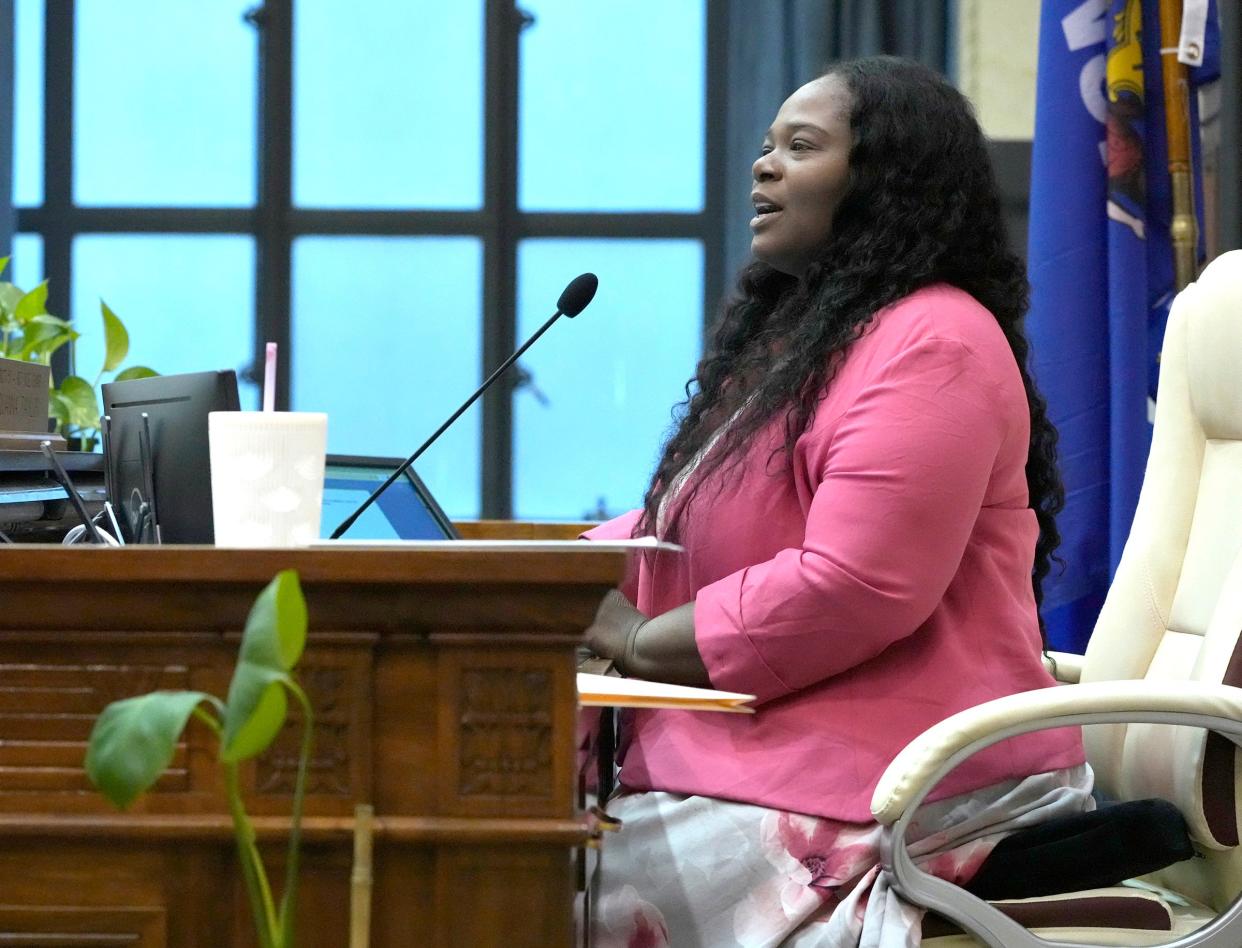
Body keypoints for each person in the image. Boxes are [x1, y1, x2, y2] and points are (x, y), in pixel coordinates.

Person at [582, 57, 1091, 947]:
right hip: (796, 747)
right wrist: (535, 571)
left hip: (921, 774)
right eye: (767, 145)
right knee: (528, 846)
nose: (763, 166)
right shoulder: (810, 344)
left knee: (555, 879)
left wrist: (633, 637)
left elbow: (853, 583)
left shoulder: (936, 342)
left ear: (884, 180)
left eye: (801, 147)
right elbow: (687, 528)